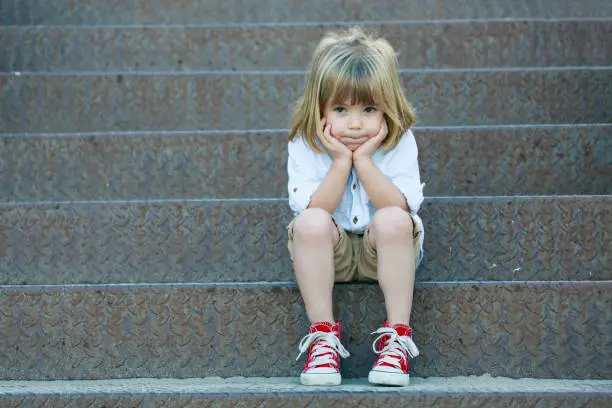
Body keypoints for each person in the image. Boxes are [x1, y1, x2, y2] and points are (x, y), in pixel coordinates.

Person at [287, 26, 425, 387]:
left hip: (385, 251)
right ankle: (322, 337)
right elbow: (313, 208)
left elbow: (399, 205)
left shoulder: (399, 141)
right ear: (319, 109)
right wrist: (339, 161)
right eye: (340, 108)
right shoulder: (306, 143)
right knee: (310, 223)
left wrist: (363, 160)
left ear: (388, 108)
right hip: (327, 253)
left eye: (368, 109)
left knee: (395, 219)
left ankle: (397, 337)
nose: (354, 123)